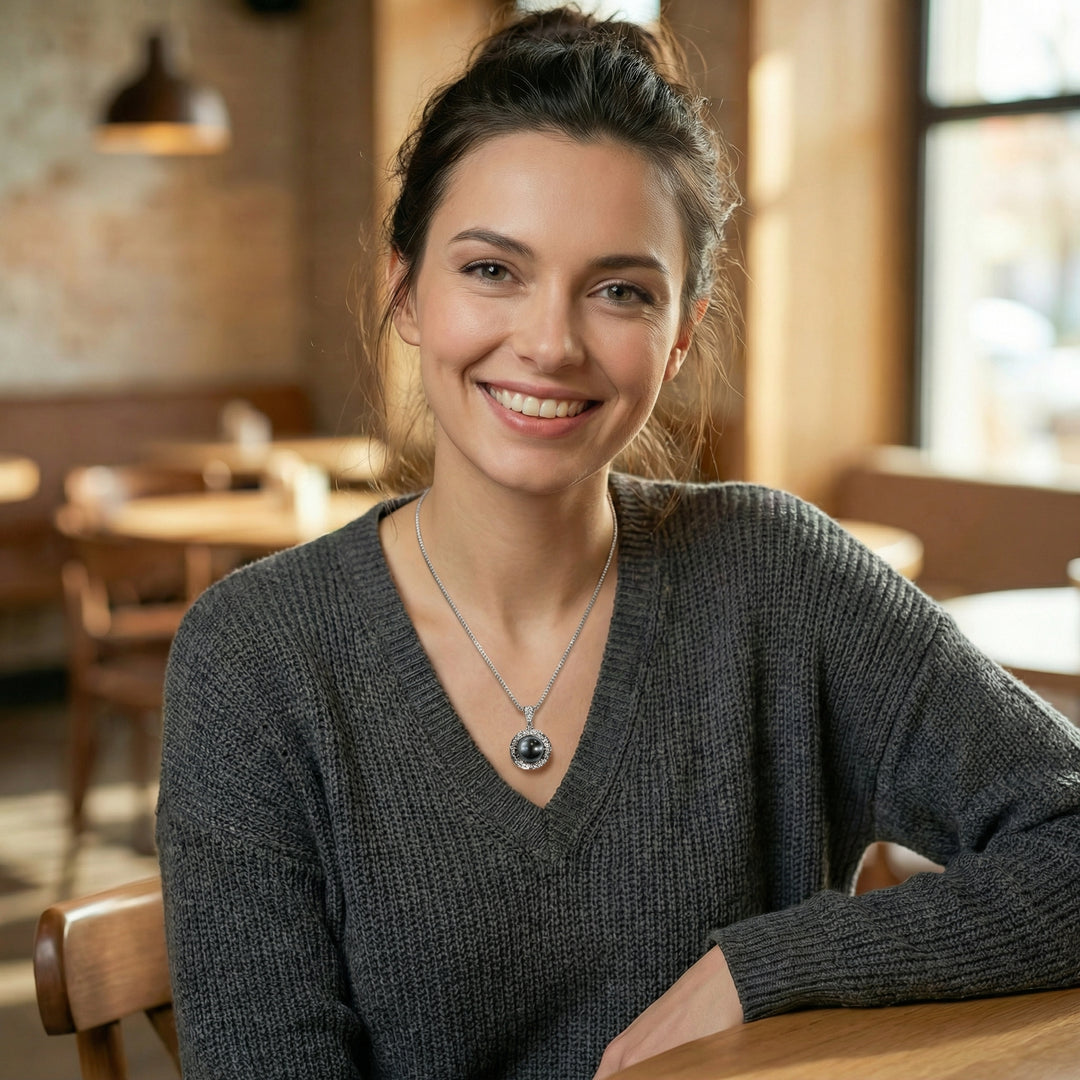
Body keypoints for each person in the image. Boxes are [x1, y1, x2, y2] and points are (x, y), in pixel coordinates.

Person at [156, 7, 1080, 1079]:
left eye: (619, 291)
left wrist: (762, 970)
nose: (548, 343)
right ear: (406, 290)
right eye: (492, 270)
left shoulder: (775, 576)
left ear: (680, 333)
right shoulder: (254, 657)